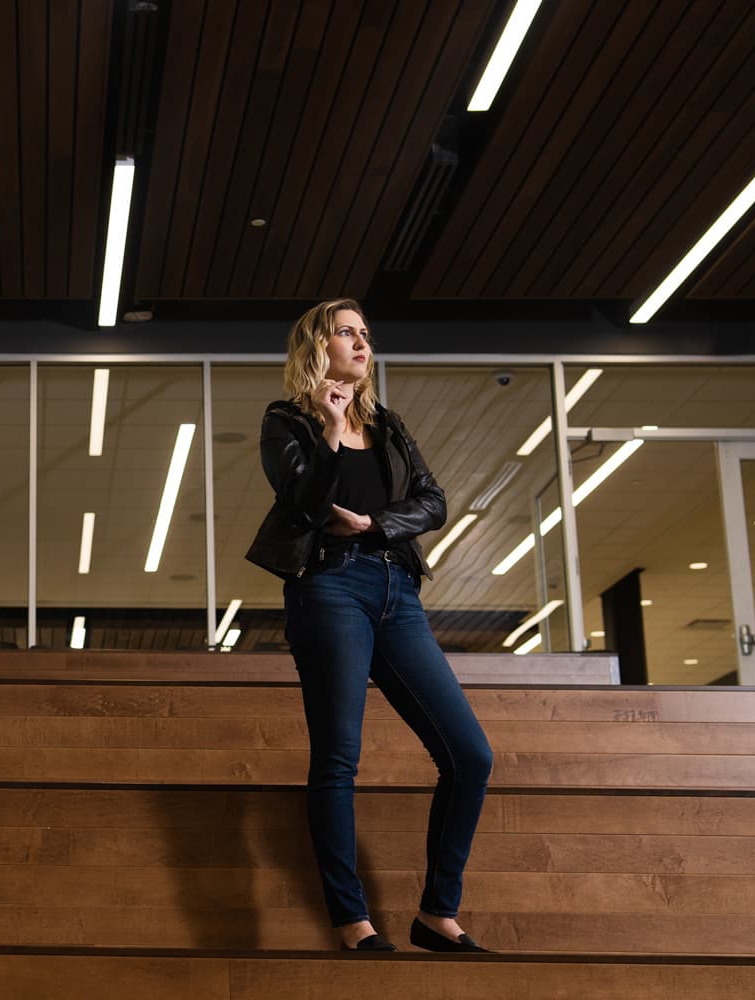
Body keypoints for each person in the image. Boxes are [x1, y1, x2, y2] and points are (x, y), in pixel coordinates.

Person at [246, 298, 493, 953]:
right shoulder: (286, 421)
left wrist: (380, 523)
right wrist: (328, 428)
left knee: (469, 755)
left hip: (396, 589)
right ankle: (352, 920)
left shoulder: (387, 424)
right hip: (329, 586)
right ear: (317, 345)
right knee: (338, 758)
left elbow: (432, 501)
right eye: (346, 332)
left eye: (365, 333)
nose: (361, 342)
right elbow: (300, 502)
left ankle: (438, 915)